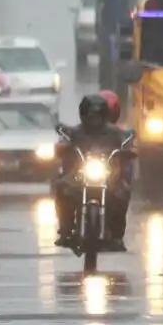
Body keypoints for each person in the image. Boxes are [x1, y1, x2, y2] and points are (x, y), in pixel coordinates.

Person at [52, 93, 134, 250]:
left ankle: (117, 235)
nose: (94, 119)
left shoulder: (115, 133)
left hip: (109, 175)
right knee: (62, 187)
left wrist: (129, 150)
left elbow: (127, 142)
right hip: (79, 175)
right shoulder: (75, 132)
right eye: (90, 116)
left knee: (123, 191)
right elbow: (63, 141)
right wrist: (63, 147)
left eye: (97, 116)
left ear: (104, 115)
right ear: (83, 115)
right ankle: (65, 230)